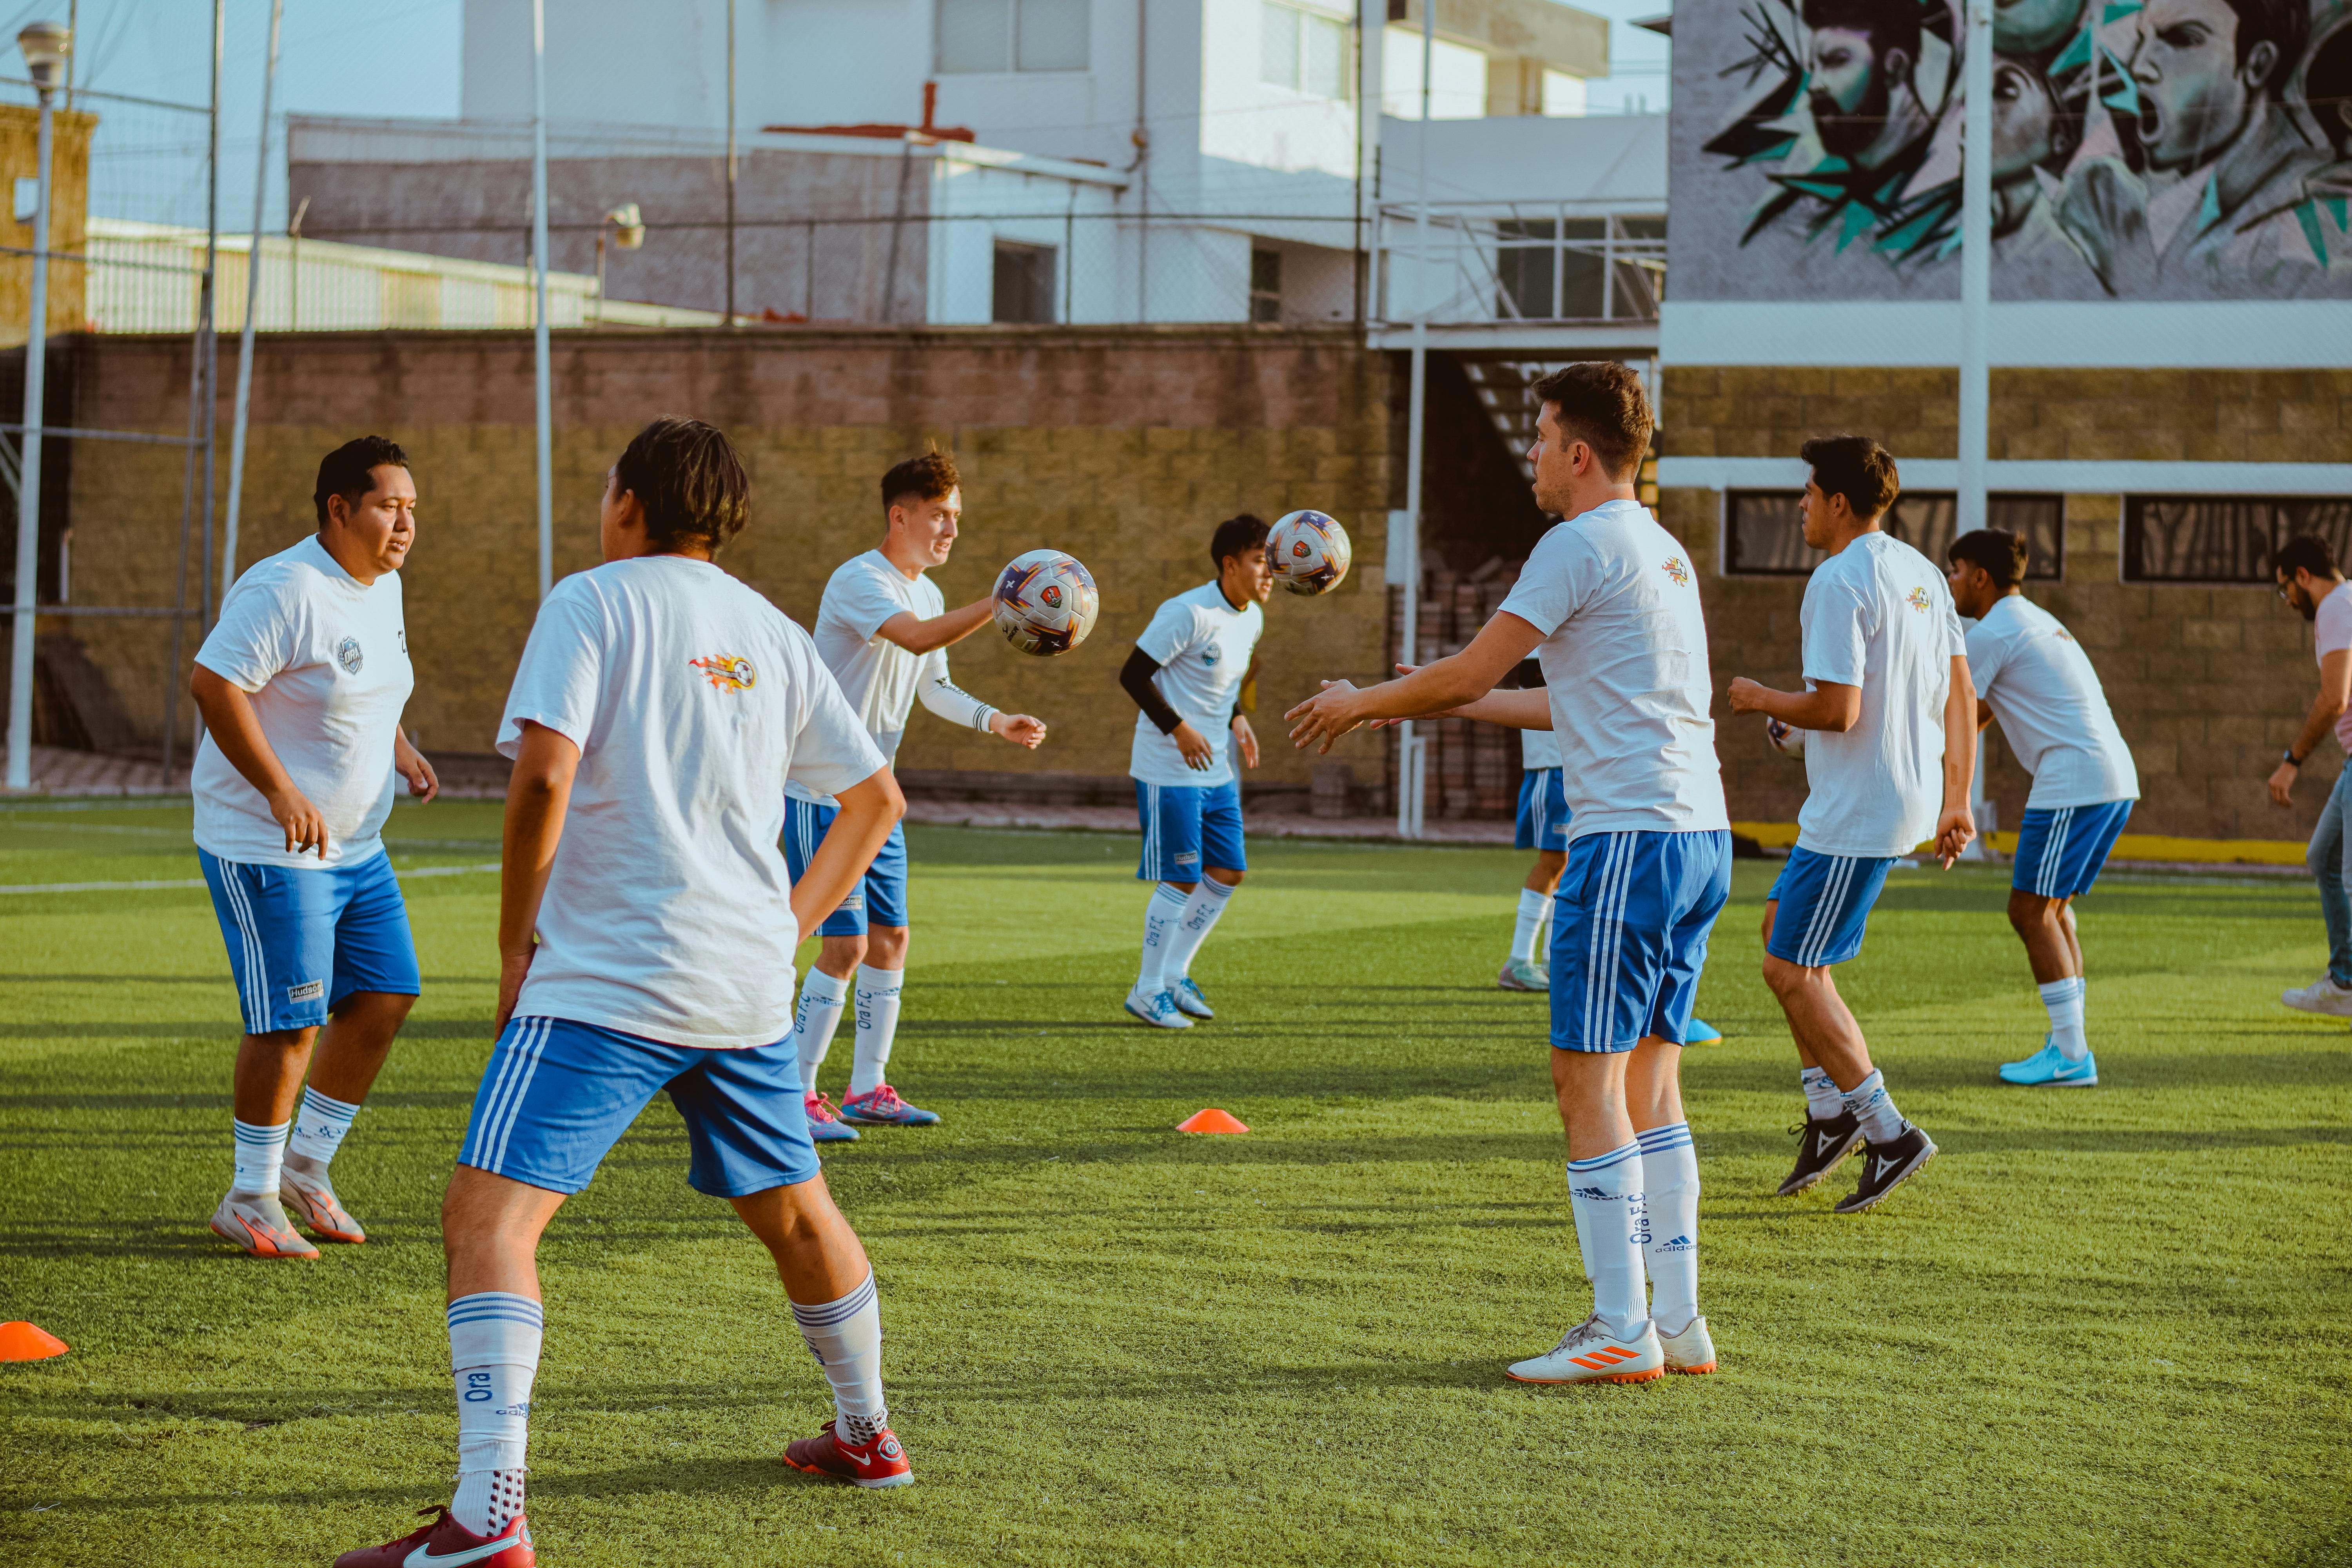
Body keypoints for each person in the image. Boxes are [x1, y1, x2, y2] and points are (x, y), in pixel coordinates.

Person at [335, 419, 913, 1568]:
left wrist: (514, 949)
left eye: (607, 485)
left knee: (486, 1219)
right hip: (740, 985)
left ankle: (489, 1517)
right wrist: (786, 928)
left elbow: (544, 773)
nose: (601, 502)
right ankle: (867, 1434)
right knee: (795, 1210)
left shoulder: (593, 600)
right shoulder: (770, 627)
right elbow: (876, 801)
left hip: (608, 976)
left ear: (633, 504)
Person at [1288, 362, 1729, 1386]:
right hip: (1695, 838)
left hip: (1630, 843)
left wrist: (1367, 701)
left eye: (1538, 438)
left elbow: (1473, 669)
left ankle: (1622, 1328)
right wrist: (1423, 699)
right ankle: (1678, 1320)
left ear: (1579, 454)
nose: (1530, 454)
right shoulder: (1659, 551)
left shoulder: (1575, 543)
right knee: (1654, 1081)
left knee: (1586, 1077)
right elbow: (1548, 700)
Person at [189, 436, 438, 1260]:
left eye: (410, 507)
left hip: (356, 847)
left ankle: (305, 1167)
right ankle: (250, 1196)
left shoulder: (387, 585)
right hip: (269, 844)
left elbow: (367, 681)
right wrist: (278, 788)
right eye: (387, 506)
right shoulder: (285, 586)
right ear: (339, 509)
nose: (405, 522)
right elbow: (215, 684)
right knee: (290, 1021)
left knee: (386, 996)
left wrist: (397, 744)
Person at [1726, 435, 1974, 1214]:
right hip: (1884, 798)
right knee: (1784, 935)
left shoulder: (1838, 579)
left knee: (1787, 968)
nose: (1798, 503)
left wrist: (1760, 696)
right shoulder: (1924, 571)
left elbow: (1838, 708)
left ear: (1838, 501)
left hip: (1857, 808)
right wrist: (1957, 798)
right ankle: (1829, 1111)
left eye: (1807, 491)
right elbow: (1960, 696)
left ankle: (1887, 1127)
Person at [780, 450, 1047, 1141]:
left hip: (878, 797)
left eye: (957, 518)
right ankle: (795, 1095)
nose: (951, 532)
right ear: (899, 517)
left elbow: (934, 683)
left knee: (890, 939)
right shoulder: (859, 581)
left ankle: (867, 1087)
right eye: (939, 517)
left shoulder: (926, 590)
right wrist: (1003, 602)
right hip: (824, 794)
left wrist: (997, 721)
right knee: (839, 947)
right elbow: (917, 637)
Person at [1945, 528, 2139, 1086]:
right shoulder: (2033, 620)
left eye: (1956, 571)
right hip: (2110, 778)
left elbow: (1954, 720)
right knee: (2052, 911)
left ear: (1981, 577)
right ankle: (2068, 1045)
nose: (1951, 581)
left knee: (2029, 912)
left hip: (2074, 782)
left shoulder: (1993, 631)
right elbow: (1975, 717)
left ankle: (2073, 1056)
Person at [1119, 515, 1269, 1030]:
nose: (1270, 572)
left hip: (1216, 770)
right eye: (1259, 561)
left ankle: (1175, 975)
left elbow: (1222, 688)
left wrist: (1238, 720)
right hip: (1169, 768)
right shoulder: (1186, 612)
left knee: (1228, 871)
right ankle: (1148, 988)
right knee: (1180, 878)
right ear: (1231, 565)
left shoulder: (1253, 618)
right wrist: (1177, 729)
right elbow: (1133, 675)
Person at [2268, 535, 2352, 1017]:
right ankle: (2345, 980)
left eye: (2286, 589)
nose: (2288, 601)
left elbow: (2334, 699)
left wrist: (2292, 760)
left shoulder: (2336, 607)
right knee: (2323, 856)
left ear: (2302, 575)